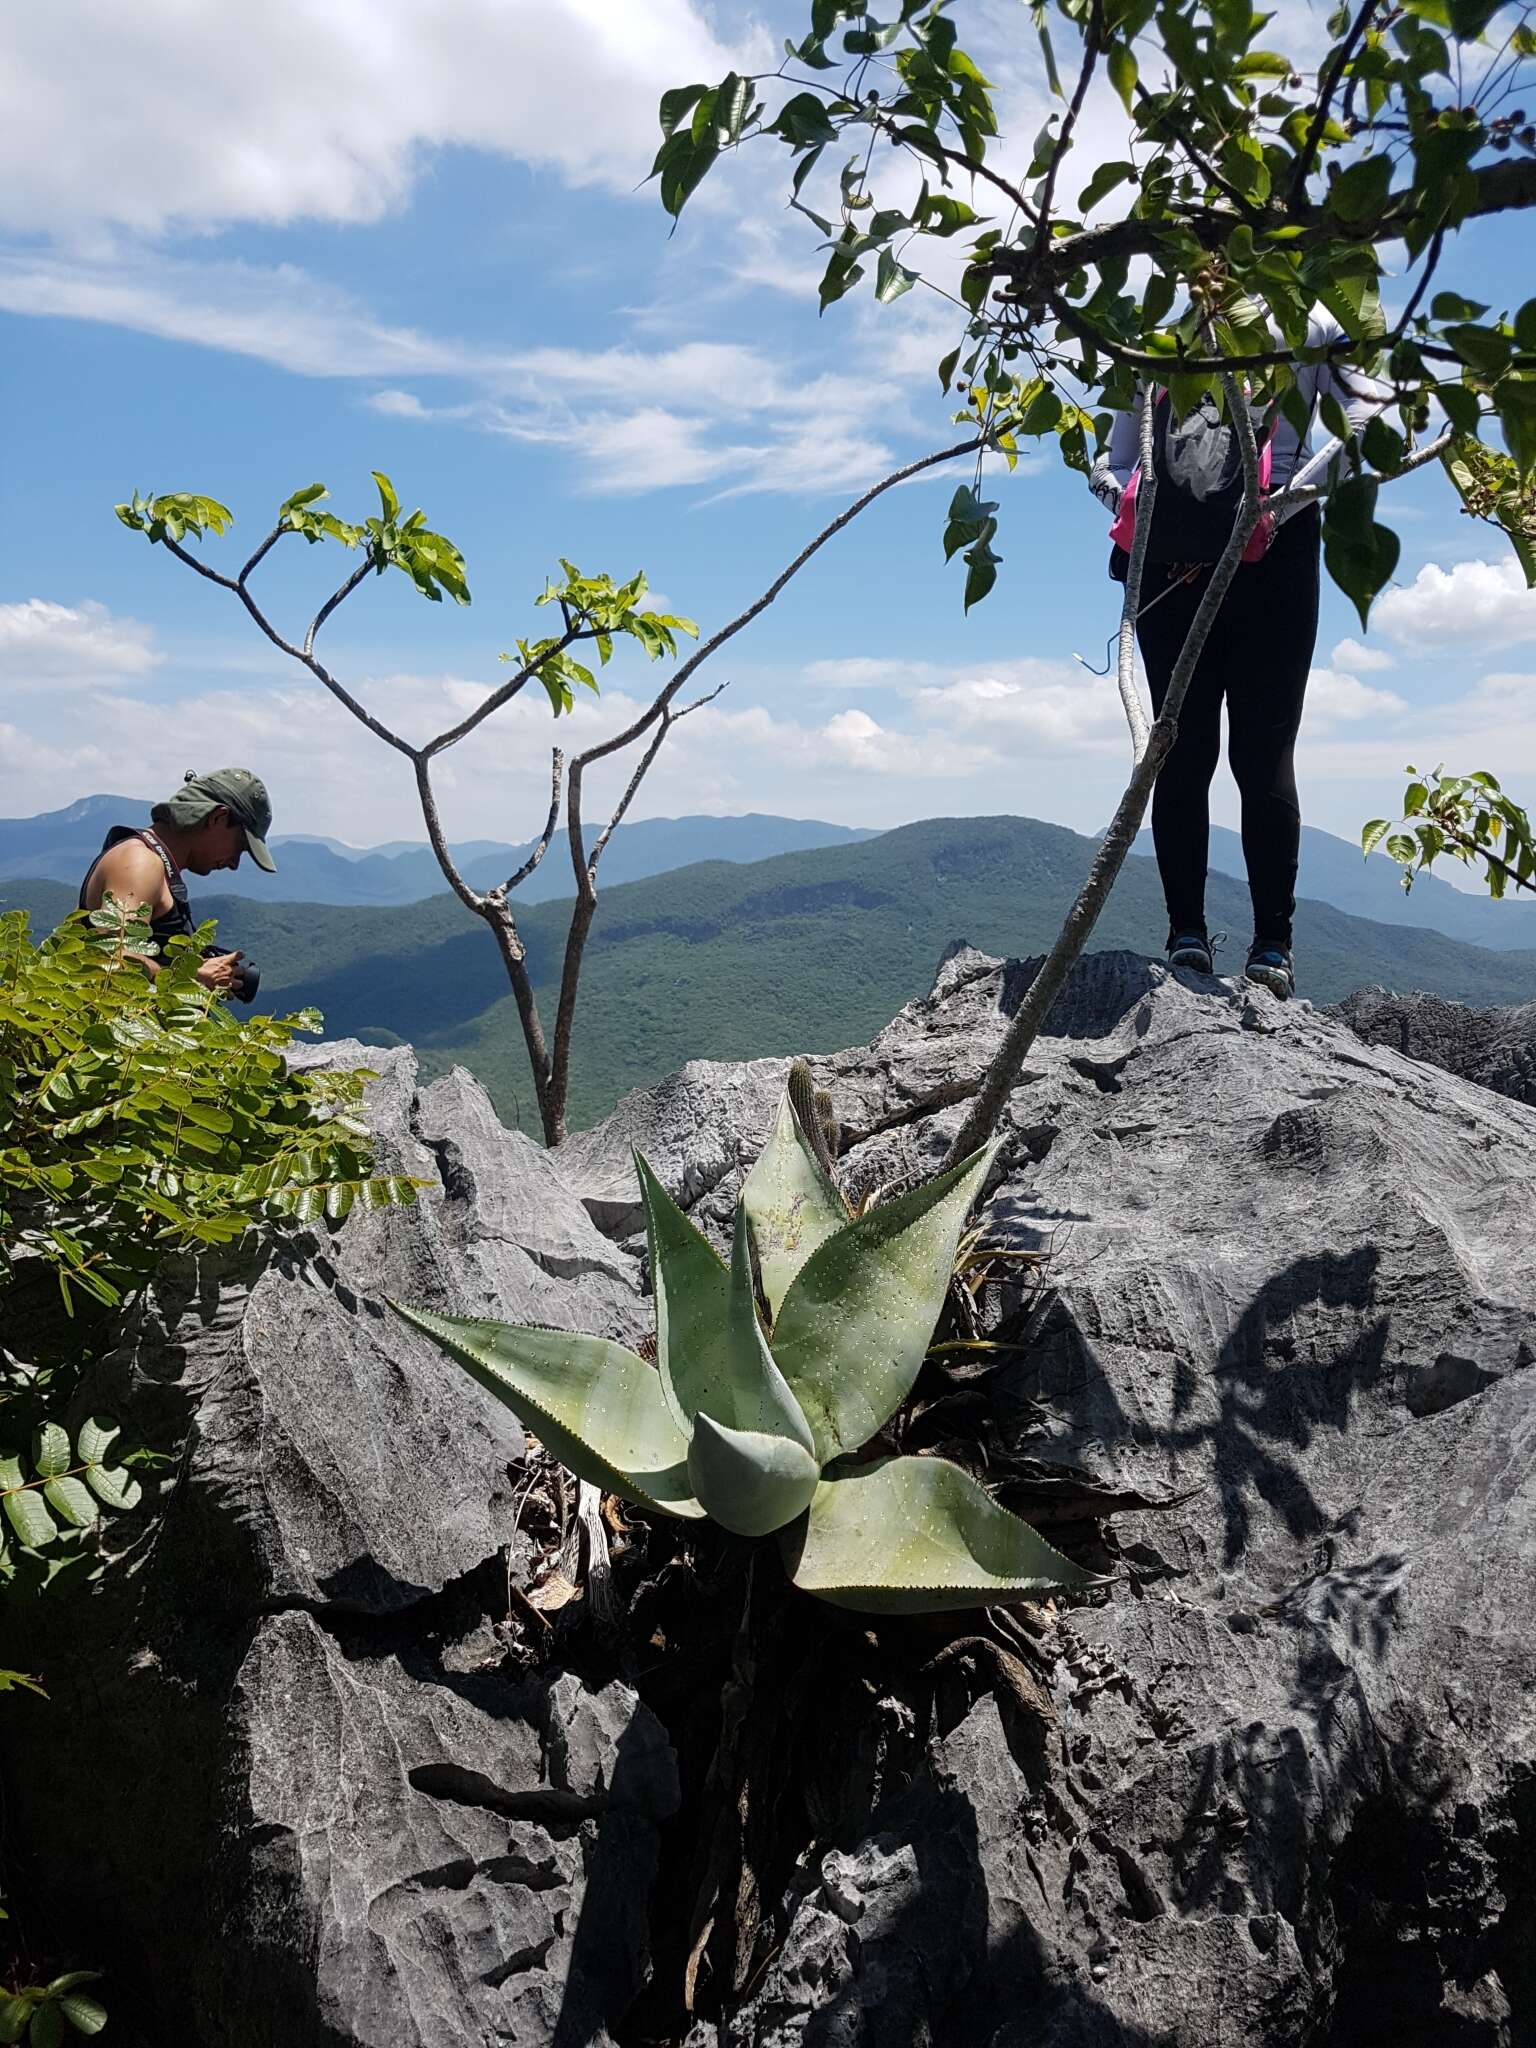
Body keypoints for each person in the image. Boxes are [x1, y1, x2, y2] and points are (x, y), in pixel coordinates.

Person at [1089, 309, 1389, 998]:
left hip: (1168, 563)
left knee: (1178, 748)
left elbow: (1111, 462)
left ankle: (1188, 937)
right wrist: (1284, 503)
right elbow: (1367, 410)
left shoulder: (1156, 327)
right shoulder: (1307, 321)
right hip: (1276, 558)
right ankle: (1271, 952)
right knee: (1264, 752)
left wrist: (1137, 509)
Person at [77, 767, 276, 991]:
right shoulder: (140, 862)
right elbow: (111, 959)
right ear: (218, 818)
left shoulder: (157, 865)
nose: (234, 863)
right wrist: (192, 977)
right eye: (240, 847)